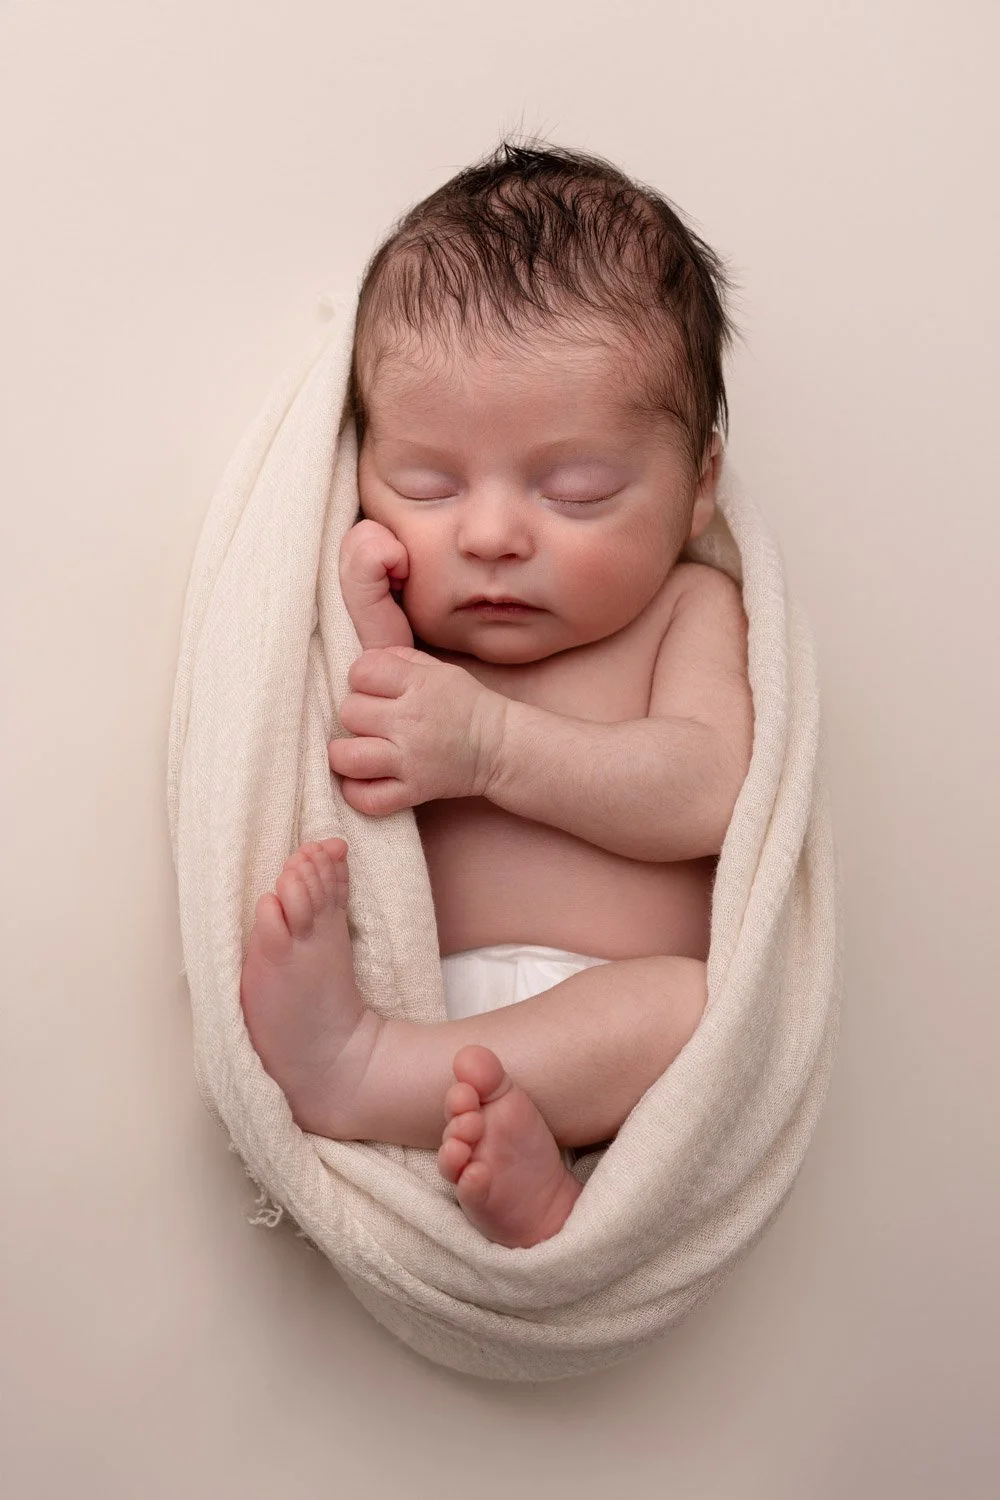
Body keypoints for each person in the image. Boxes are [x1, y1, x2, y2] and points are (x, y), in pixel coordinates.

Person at [239, 139, 754, 1249]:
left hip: (609, 1042)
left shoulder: (684, 613)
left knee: (695, 1011)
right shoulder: (412, 619)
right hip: (430, 990)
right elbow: (357, 772)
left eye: (575, 491)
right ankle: (491, 1156)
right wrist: (371, 640)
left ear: (699, 486)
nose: (488, 537)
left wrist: (495, 747)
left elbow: (711, 790)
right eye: (426, 483)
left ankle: (384, 1087)